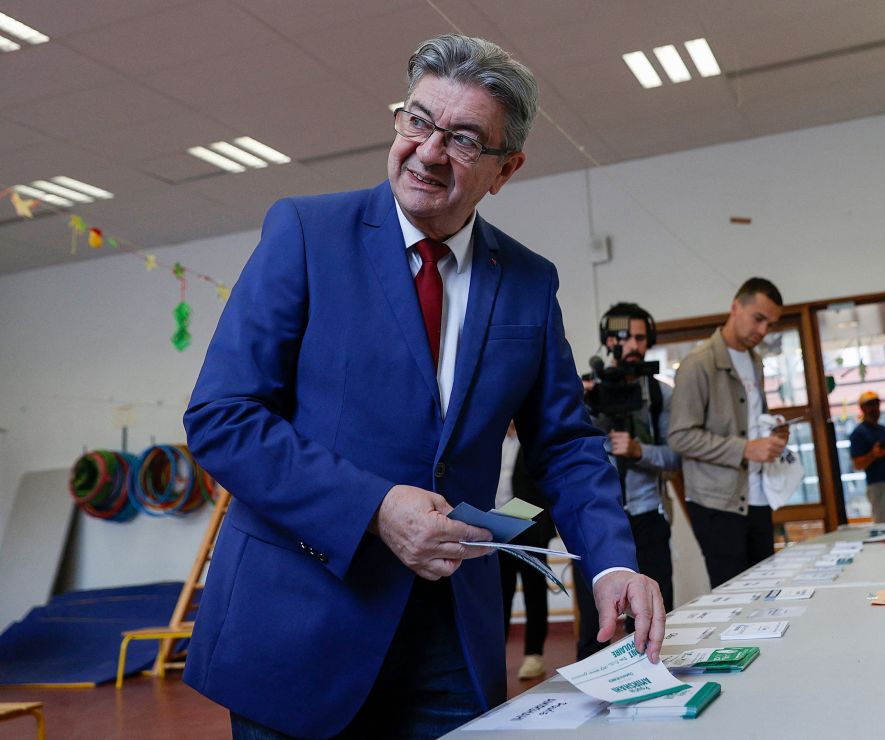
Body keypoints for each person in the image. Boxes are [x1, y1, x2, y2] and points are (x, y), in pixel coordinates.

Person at [182, 34, 664, 740]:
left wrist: (612, 565)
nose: (430, 151)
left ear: (506, 169)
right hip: (298, 622)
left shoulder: (529, 283)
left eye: (465, 139)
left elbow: (564, 444)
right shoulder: (307, 234)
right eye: (418, 120)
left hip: (449, 633)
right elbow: (222, 417)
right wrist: (374, 506)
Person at [575, 302, 681, 658]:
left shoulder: (661, 395)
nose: (633, 345)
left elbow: (675, 456)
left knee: (654, 619)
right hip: (600, 521)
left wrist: (639, 451)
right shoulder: (589, 393)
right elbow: (571, 454)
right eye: (624, 337)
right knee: (595, 626)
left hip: (648, 517)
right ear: (608, 340)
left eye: (640, 337)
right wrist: (585, 403)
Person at [669, 278, 788, 588]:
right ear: (735, 307)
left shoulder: (756, 362)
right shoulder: (698, 364)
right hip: (717, 503)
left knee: (766, 596)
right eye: (759, 319)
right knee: (733, 602)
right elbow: (680, 436)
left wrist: (771, 435)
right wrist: (746, 448)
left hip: (758, 497)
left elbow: (748, 422)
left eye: (770, 325)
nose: (763, 331)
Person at [496, 424, 555, 680]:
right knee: (499, 594)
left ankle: (534, 654)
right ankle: (497, 653)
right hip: (495, 527)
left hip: (530, 525)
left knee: (534, 590)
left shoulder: (533, 436)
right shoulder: (491, 435)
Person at [849, 391, 885, 523]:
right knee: (883, 523)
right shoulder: (859, 433)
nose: (874, 409)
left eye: (876, 404)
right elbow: (858, 464)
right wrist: (873, 455)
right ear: (862, 408)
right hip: (879, 485)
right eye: (869, 405)